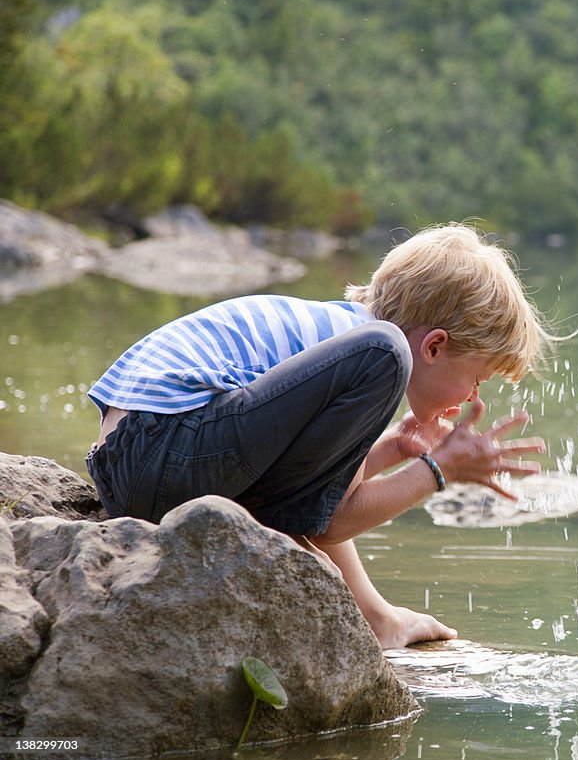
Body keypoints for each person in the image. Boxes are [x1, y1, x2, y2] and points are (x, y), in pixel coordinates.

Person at [85, 224, 553, 648]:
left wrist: (391, 448)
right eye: (479, 377)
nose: (473, 394)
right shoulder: (379, 354)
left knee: (318, 566)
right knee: (385, 353)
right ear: (434, 346)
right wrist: (438, 470)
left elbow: (310, 493)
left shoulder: (332, 337)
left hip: (138, 464)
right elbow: (334, 521)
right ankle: (378, 619)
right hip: (161, 449)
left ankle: (378, 619)